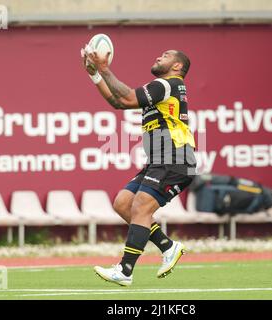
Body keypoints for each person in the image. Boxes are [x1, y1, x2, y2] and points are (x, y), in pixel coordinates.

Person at [81, 45, 196, 286]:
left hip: (174, 157)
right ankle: (168, 246)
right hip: (160, 159)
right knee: (123, 203)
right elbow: (119, 103)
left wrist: (104, 67)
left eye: (165, 55)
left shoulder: (168, 84)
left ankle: (125, 270)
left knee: (141, 206)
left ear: (177, 66)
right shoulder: (164, 89)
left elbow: (127, 96)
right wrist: (94, 74)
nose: (158, 56)